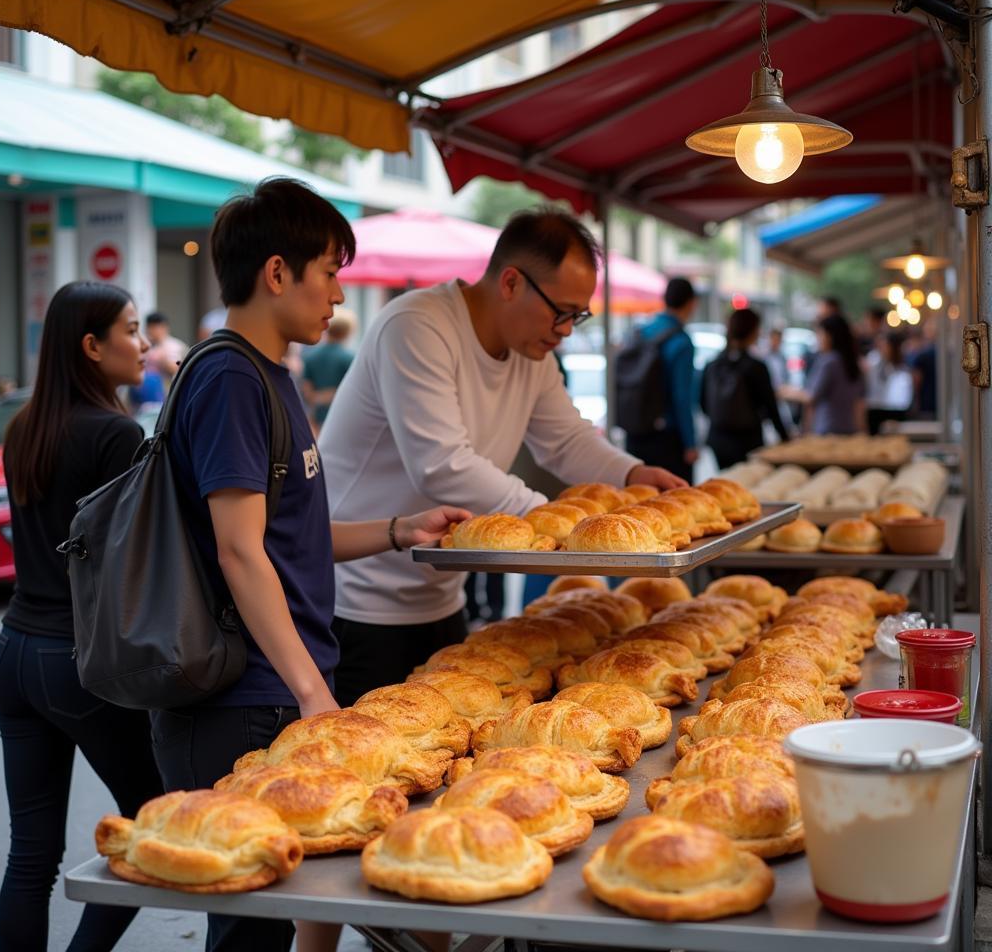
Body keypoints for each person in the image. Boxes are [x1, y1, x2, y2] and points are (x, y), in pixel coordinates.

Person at [155, 178, 466, 952]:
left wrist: (400, 529)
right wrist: (311, 690)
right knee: (246, 927)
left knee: (285, 903)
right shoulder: (230, 379)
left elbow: (294, 533)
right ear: (275, 273)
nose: (337, 291)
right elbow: (237, 548)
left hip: (272, 684)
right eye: (328, 270)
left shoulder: (272, 376)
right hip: (242, 693)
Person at [320, 207, 685, 708]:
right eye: (561, 311)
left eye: (577, 316)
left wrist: (633, 473)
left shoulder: (530, 352)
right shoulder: (417, 326)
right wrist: (551, 521)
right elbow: (441, 463)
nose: (566, 331)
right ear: (511, 282)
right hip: (358, 602)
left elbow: (566, 440)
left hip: (441, 595)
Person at [0, 281, 164, 952]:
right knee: (153, 822)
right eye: (129, 329)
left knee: (29, 856)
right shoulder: (117, 434)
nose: (144, 341)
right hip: (82, 661)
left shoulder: (21, 428)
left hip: (13, 656)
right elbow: (135, 559)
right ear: (92, 347)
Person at [622, 276, 699, 482]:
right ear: (691, 303)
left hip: (635, 432)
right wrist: (690, 443)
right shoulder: (681, 341)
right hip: (667, 440)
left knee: (636, 503)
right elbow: (682, 396)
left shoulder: (640, 332)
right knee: (675, 505)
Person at [701, 308, 789, 469]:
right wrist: (785, 437)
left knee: (724, 484)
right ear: (753, 332)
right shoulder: (756, 367)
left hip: (717, 437)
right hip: (747, 439)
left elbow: (702, 402)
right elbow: (770, 406)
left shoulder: (712, 364)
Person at [782, 314, 866, 435]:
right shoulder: (852, 361)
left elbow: (811, 396)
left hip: (828, 429)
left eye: (820, 334)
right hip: (849, 428)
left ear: (830, 336)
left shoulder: (829, 361)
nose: (818, 338)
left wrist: (784, 391)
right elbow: (859, 402)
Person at [302, 309, 356, 430]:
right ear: (347, 332)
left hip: (317, 419)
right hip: (342, 419)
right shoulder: (349, 358)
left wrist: (317, 398)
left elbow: (308, 394)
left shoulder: (310, 357)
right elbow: (352, 392)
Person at [866, 331, 914, 434]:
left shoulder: (902, 368)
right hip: (876, 409)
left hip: (895, 410)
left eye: (885, 346)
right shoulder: (874, 362)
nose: (882, 349)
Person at [144, 311, 188, 387]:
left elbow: (178, 369)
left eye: (154, 327)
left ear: (164, 327)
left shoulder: (174, 345)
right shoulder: (146, 345)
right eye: (149, 327)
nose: (151, 331)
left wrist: (161, 358)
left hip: (168, 389)